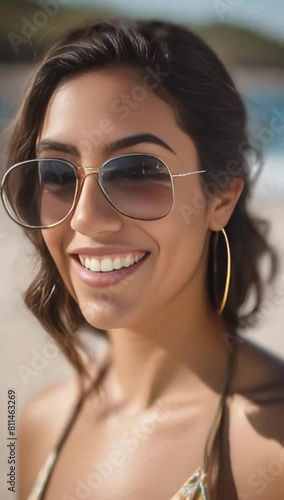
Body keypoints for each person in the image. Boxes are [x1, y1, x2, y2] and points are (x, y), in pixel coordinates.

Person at [1, 17, 284, 500]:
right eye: (57, 172)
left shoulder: (271, 453)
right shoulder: (34, 424)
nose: (86, 217)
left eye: (136, 171)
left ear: (221, 198)